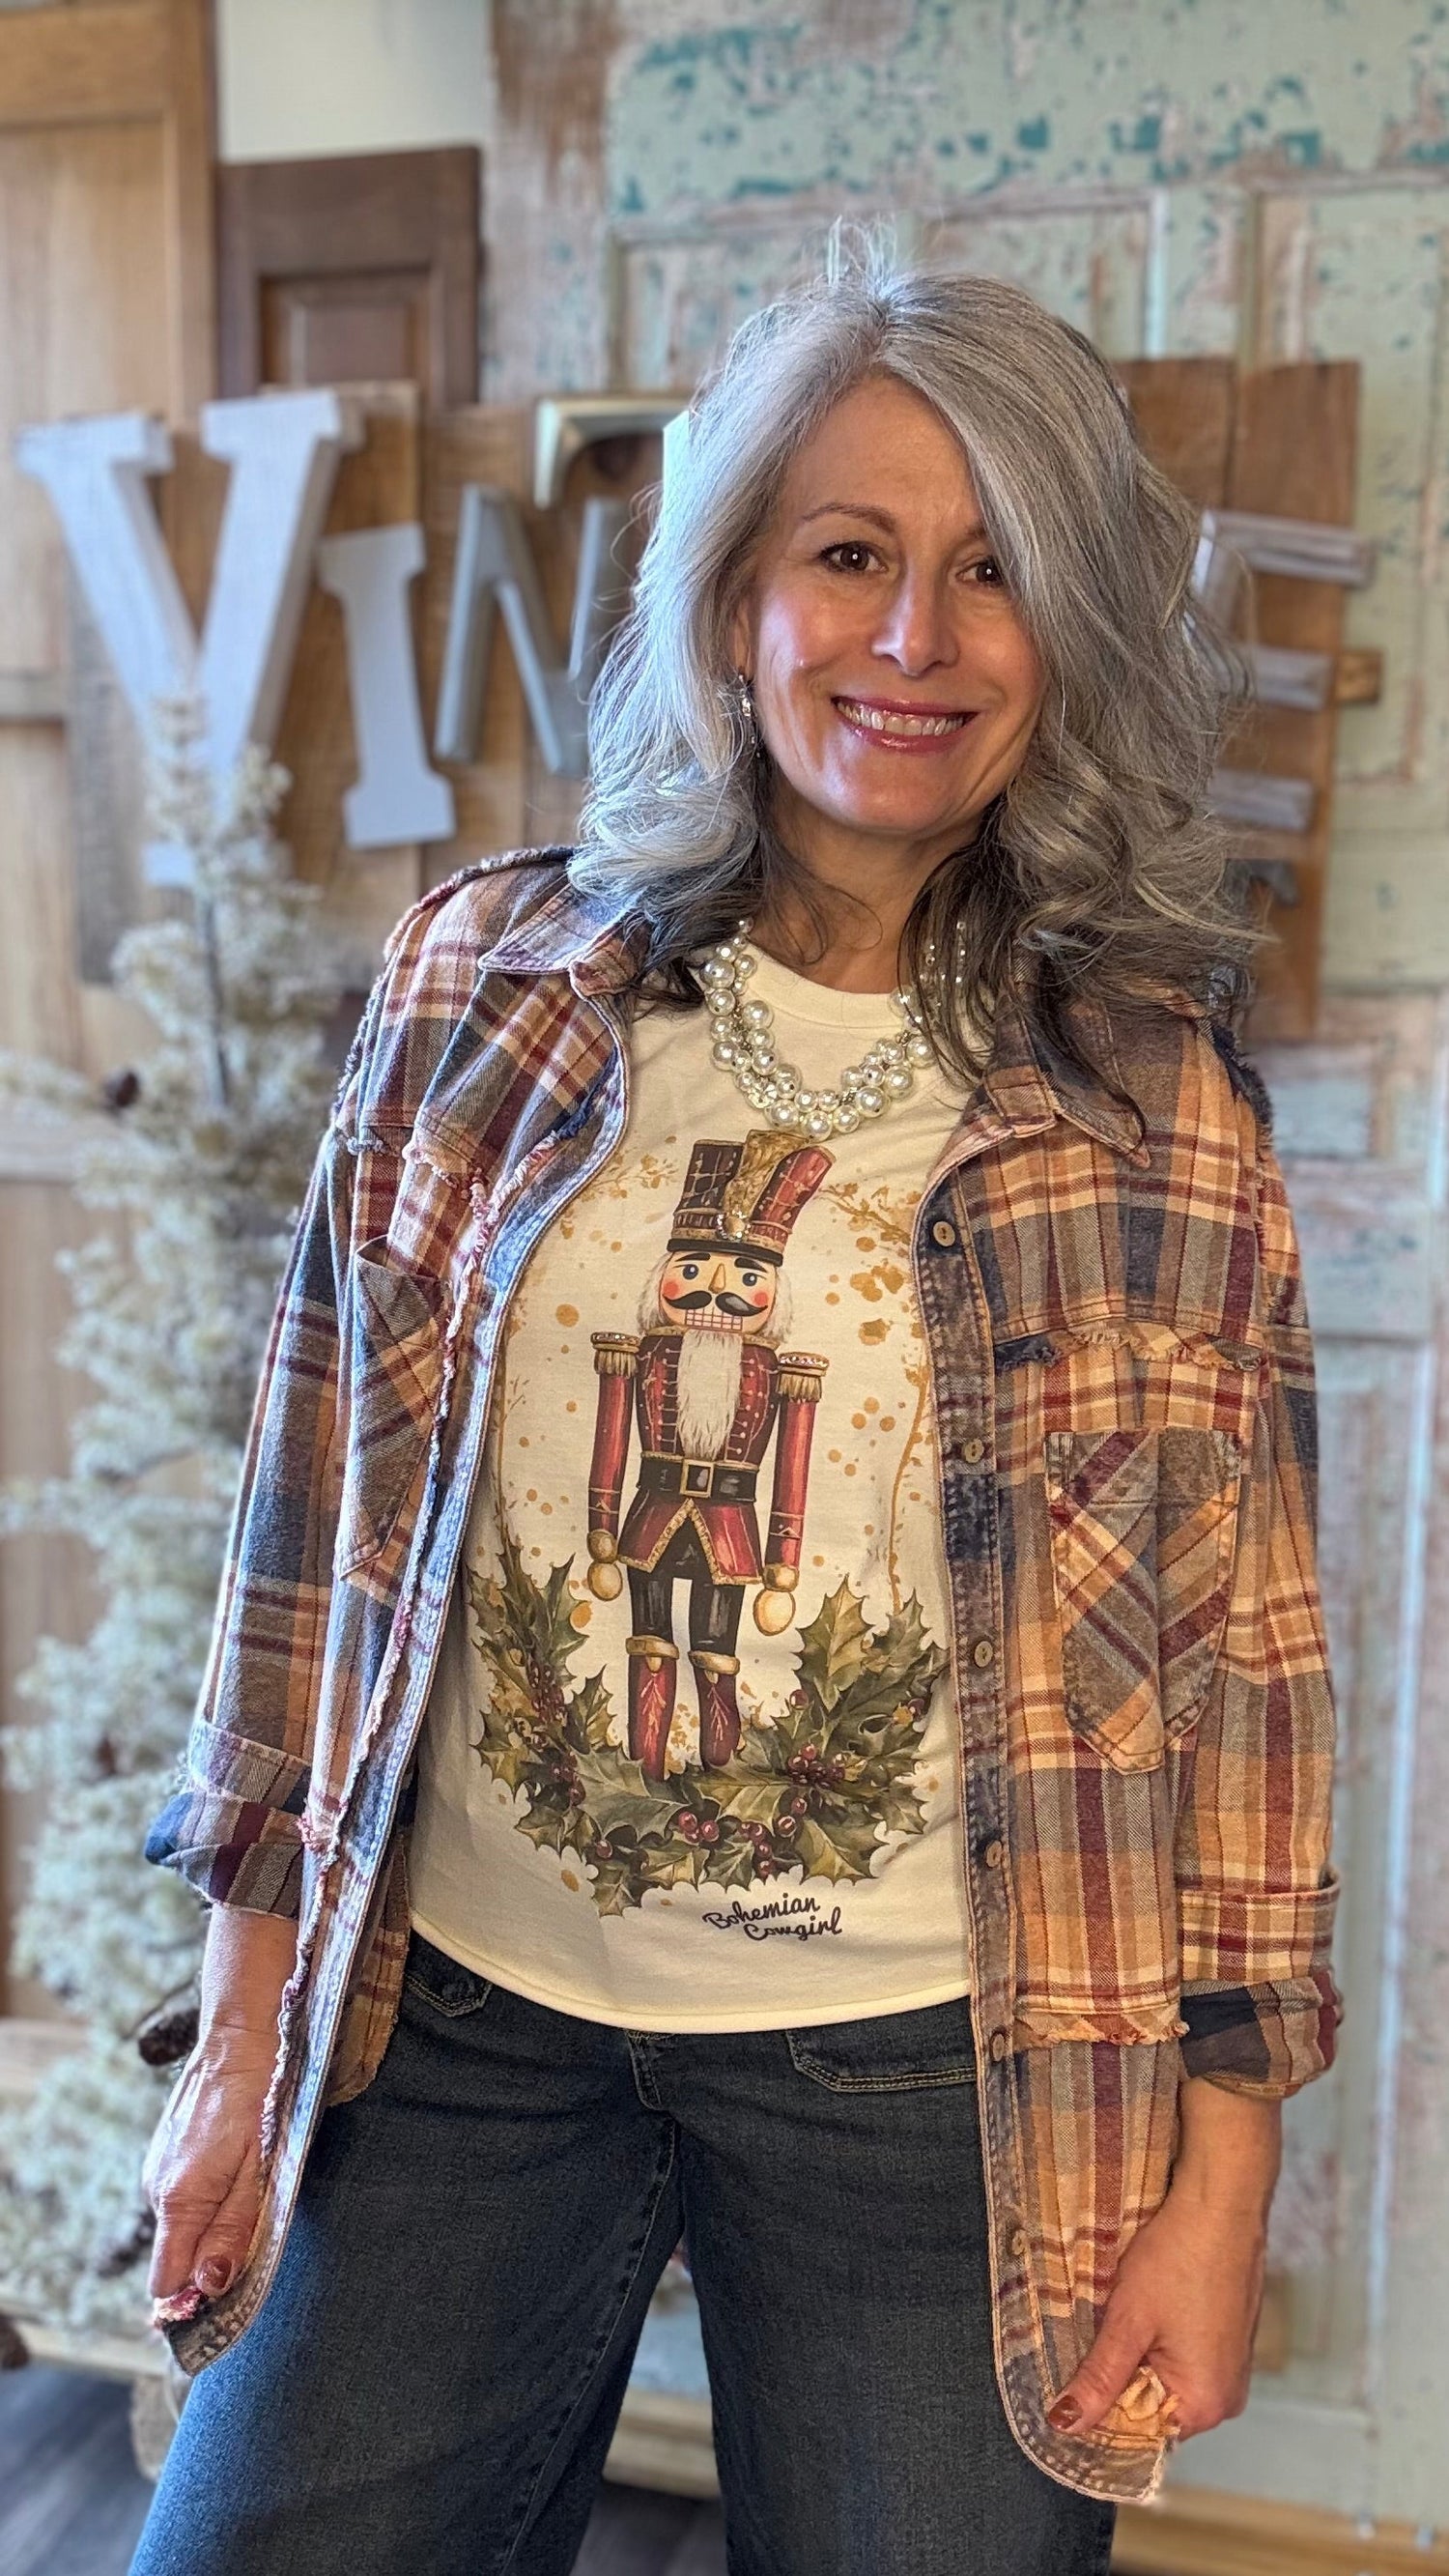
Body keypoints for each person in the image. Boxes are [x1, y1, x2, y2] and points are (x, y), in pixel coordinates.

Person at [129, 257, 1340, 2576]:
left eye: (996, 570)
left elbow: (1245, 1669)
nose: (917, 639)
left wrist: (1223, 2164)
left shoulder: (1152, 1108)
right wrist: (248, 2037)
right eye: (852, 553)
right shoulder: (485, 984)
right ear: (735, 599)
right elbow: (314, 1522)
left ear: (1068, 633)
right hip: (459, 2029)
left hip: (949, 2081)